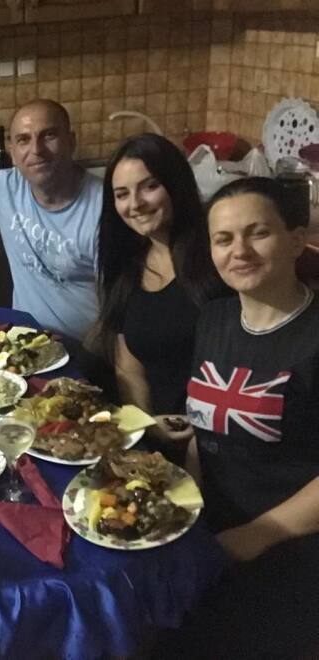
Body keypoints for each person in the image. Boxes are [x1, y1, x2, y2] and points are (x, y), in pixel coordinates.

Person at [160, 178, 319, 657]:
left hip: (290, 545)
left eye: (258, 233)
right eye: (224, 239)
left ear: (296, 240)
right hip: (212, 529)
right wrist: (185, 502)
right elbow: (205, 431)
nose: (240, 251)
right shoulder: (216, 318)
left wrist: (254, 537)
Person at [95, 134, 226, 447]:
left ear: (176, 183)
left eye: (149, 186)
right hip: (158, 433)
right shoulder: (127, 266)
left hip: (220, 438)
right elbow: (129, 369)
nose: (136, 204)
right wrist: (147, 423)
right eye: (122, 194)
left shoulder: (217, 256)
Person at [0, 99, 103, 342]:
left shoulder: (104, 208)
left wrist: (86, 357)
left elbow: (120, 311)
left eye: (48, 135)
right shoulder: (3, 188)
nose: (36, 150)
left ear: (71, 141)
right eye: (23, 140)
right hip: (24, 342)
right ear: (13, 152)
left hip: (86, 350)